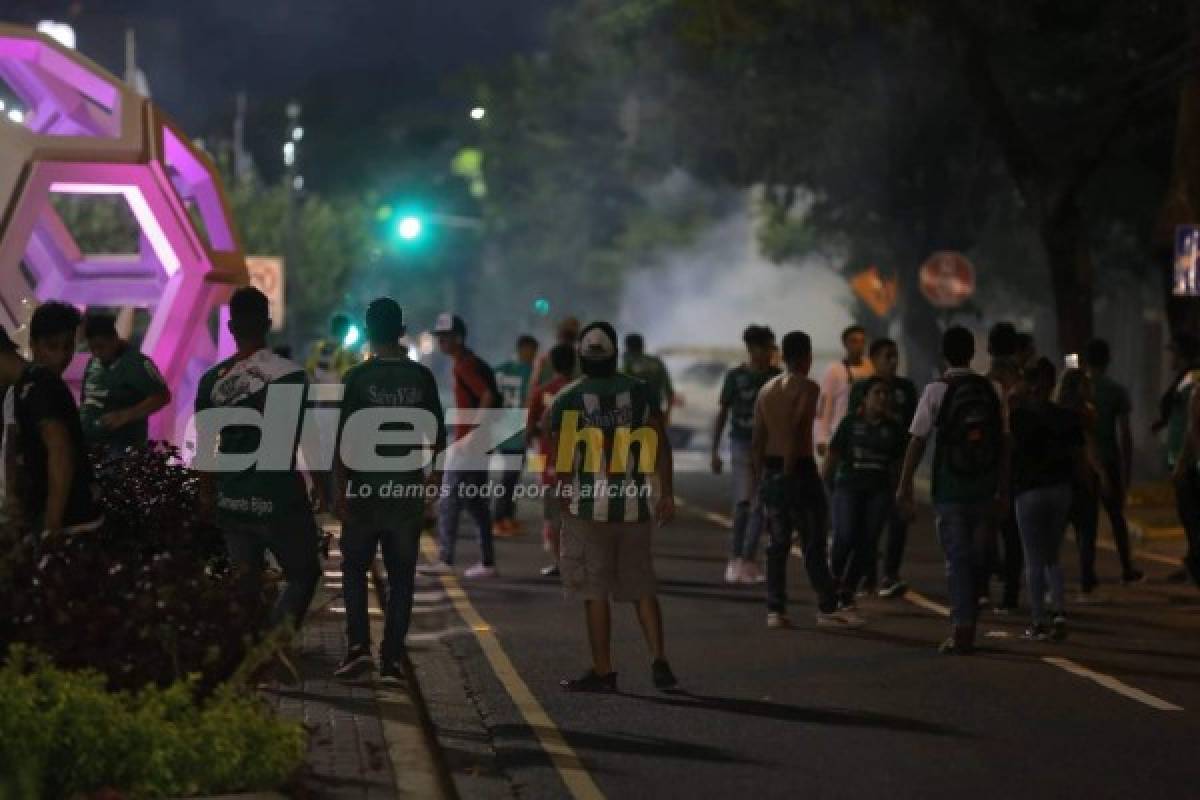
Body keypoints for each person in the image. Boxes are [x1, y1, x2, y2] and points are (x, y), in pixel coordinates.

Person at [549, 321, 678, 692]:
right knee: (641, 587)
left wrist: (563, 496)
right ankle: (658, 659)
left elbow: (564, 459)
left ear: (581, 358)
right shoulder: (639, 392)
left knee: (594, 592)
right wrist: (665, 493)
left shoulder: (568, 399)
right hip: (634, 506)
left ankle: (604, 670)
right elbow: (659, 444)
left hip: (590, 510)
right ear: (615, 354)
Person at [194, 287, 320, 632]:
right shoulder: (289, 375)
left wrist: (207, 494)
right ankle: (271, 644)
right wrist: (325, 489)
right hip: (279, 499)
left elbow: (205, 447)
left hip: (233, 499)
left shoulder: (212, 382)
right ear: (267, 324)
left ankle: (248, 658)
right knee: (304, 574)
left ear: (232, 327)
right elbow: (307, 438)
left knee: (245, 588)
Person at [333, 298, 445, 683]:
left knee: (353, 571)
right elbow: (436, 439)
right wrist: (434, 482)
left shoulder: (355, 379)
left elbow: (341, 443)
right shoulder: (421, 379)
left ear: (367, 331)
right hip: (406, 497)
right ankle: (393, 659)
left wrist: (339, 492)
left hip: (365, 493)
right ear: (401, 330)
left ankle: (358, 649)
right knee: (401, 579)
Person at [897, 326, 1008, 654]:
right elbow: (1005, 443)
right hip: (985, 487)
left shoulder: (936, 390)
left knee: (957, 558)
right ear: (973, 353)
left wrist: (904, 485)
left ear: (944, 355)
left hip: (949, 487)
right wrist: (1003, 488)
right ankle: (969, 618)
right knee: (976, 558)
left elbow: (917, 440)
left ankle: (962, 625)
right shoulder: (993, 389)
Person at [754, 331, 863, 630]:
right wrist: (789, 476)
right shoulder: (808, 388)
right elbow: (794, 429)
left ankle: (775, 609)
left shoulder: (766, 390)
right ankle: (827, 608)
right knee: (814, 539)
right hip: (798, 470)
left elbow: (758, 439)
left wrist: (759, 482)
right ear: (806, 356)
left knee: (777, 543)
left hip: (771, 468)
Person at [0, 309, 102, 537]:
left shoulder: (38, 386)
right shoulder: (21, 389)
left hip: (70, 523)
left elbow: (60, 451)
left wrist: (51, 527)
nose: (62, 357)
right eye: (53, 346)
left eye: (67, 346)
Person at [1010, 360, 1085, 641]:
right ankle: (1060, 611)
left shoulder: (1019, 417)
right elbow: (1078, 458)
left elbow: (1010, 452)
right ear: (1052, 383)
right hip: (1060, 490)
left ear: (1029, 384)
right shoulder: (1066, 417)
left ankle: (1039, 619)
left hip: (1029, 491)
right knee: (1053, 555)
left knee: (1033, 557)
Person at [423, 313, 501, 578]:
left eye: (445, 337)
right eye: (439, 337)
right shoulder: (472, 363)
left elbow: (488, 396)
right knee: (476, 504)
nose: (440, 342)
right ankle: (487, 562)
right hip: (480, 444)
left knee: (449, 501)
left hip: (469, 446)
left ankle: (445, 559)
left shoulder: (464, 366)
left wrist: (470, 436)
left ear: (458, 338)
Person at [823, 377, 907, 612]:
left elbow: (900, 466)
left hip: (879, 491)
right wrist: (825, 487)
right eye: (877, 392)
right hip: (848, 487)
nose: (883, 398)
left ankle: (847, 590)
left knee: (868, 542)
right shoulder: (850, 423)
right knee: (845, 535)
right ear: (865, 397)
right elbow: (832, 456)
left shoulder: (895, 429)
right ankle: (832, 581)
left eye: (886, 393)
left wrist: (903, 494)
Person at [846, 338, 919, 597]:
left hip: (898, 466)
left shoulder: (907, 389)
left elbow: (915, 429)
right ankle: (868, 576)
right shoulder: (861, 388)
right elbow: (853, 421)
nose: (893, 361)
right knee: (868, 526)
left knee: (899, 519)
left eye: (895, 356)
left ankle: (890, 574)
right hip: (869, 468)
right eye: (888, 356)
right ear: (874, 360)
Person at [712, 325, 779, 584]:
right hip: (741, 444)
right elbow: (723, 413)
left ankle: (749, 560)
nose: (770, 354)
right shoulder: (735, 377)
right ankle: (735, 559)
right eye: (765, 348)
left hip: (770, 449)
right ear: (752, 350)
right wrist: (715, 451)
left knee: (760, 505)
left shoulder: (777, 378)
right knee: (743, 503)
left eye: (772, 348)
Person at [1081, 338, 1141, 585]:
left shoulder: (1081, 389)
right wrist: (1127, 469)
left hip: (1083, 462)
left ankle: (1087, 572)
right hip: (1110, 458)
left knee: (1087, 520)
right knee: (1116, 517)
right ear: (1108, 360)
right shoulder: (1116, 391)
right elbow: (1125, 434)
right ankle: (1127, 568)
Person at [79, 313, 171, 456]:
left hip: (123, 448)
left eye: (101, 347)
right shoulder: (94, 362)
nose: (97, 353)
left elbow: (162, 396)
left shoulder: (137, 363)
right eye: (92, 348)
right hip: (91, 447)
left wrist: (126, 415)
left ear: (114, 340)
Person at [526, 343, 577, 577]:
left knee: (552, 515)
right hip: (581, 462)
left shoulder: (542, 392)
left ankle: (560, 563)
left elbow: (529, 430)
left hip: (547, 463)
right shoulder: (583, 392)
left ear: (552, 365)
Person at [985, 321, 1023, 613]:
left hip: (989, 460)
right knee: (1014, 533)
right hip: (1022, 463)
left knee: (985, 528)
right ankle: (1010, 596)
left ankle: (983, 590)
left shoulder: (987, 383)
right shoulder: (1024, 382)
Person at [1160, 332, 1200, 587]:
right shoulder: (1184, 379)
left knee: (1192, 515)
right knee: (1189, 516)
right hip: (1181, 457)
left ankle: (1194, 565)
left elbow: (1193, 426)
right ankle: (1191, 562)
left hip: (1189, 461)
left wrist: (1185, 461)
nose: (1171, 357)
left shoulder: (1194, 379)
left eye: (1174, 351)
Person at [492, 334, 539, 535]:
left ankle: (508, 516)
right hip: (515, 433)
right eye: (531, 351)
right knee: (510, 478)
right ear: (523, 350)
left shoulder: (502, 370)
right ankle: (500, 519)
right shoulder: (530, 372)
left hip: (507, 431)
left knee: (512, 478)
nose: (532, 355)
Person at [815, 324, 874, 459]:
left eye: (862, 341)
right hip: (840, 433)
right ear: (845, 343)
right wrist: (821, 438)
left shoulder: (870, 368)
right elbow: (824, 405)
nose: (858, 346)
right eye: (854, 341)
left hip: (865, 434)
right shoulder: (834, 370)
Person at [623, 333, 675, 422]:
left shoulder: (628, 362)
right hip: (655, 412)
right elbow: (669, 391)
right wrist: (667, 414)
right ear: (643, 346)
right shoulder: (657, 361)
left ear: (627, 347)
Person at [305, 313, 360, 384]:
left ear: (331, 328)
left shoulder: (319, 347)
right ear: (346, 331)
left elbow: (310, 373)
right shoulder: (347, 353)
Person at [532, 316, 581, 388]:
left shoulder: (581, 360)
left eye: (570, 335)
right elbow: (535, 385)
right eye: (566, 334)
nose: (566, 339)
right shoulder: (544, 359)